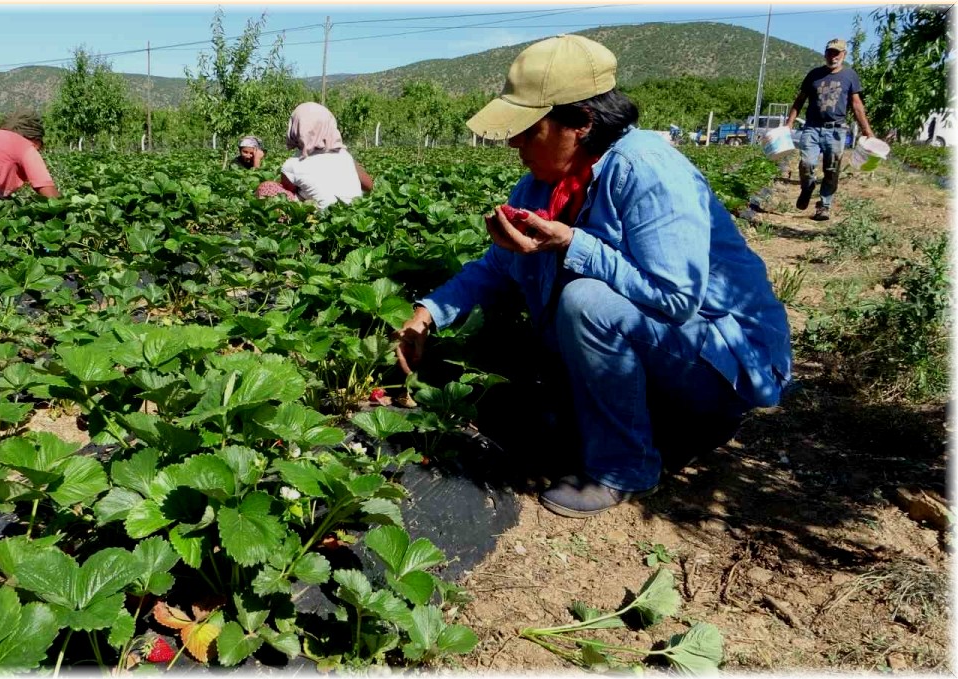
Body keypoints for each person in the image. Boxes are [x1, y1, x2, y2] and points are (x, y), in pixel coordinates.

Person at [394, 35, 793, 518]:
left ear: (581, 123)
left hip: (723, 367)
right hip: (663, 354)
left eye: (529, 129)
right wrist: (426, 315)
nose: (516, 143)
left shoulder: (647, 169)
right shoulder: (545, 182)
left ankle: (626, 467)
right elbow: (499, 264)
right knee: (531, 413)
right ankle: (641, 428)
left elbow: (676, 298)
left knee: (587, 302)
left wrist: (573, 244)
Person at [786, 38, 875, 221]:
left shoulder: (850, 76)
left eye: (837, 53)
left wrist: (867, 130)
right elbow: (800, 100)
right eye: (830, 52)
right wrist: (789, 123)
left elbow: (856, 105)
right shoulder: (814, 75)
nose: (833, 56)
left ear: (844, 55)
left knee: (832, 169)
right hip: (812, 127)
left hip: (836, 130)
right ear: (825, 53)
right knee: (806, 163)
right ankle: (808, 186)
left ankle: (824, 206)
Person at [256, 102, 373, 208]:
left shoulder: (292, 165)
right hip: (354, 211)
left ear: (295, 128)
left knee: (267, 187)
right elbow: (369, 186)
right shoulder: (344, 155)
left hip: (321, 218)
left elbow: (287, 192)